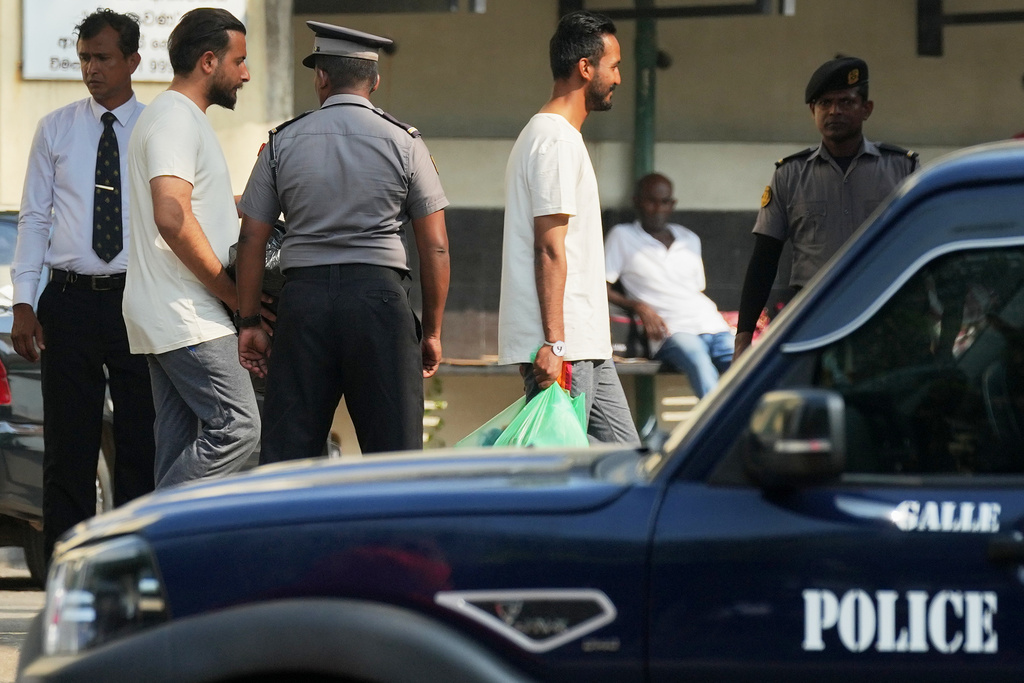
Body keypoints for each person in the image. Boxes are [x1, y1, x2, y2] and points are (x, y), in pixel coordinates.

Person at [235, 21, 450, 460]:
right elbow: (436, 247)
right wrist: (432, 332)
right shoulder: (405, 143)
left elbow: (252, 239)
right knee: (393, 458)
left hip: (303, 306)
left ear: (321, 77)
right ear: (374, 80)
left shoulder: (282, 143)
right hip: (381, 306)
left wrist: (250, 321)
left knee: (288, 459)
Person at [12, 9, 156, 559]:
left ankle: (137, 570)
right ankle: (63, 577)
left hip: (137, 301)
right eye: (84, 59)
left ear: (133, 62)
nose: (92, 69)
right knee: (68, 450)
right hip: (68, 300)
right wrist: (25, 301)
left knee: (141, 445)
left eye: (103, 58)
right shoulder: (55, 129)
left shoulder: (156, 127)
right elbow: (34, 219)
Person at [124, 8, 261, 488]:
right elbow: (172, 216)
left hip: (172, 309)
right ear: (208, 61)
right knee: (239, 428)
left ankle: (160, 560)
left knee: (180, 446)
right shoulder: (174, 119)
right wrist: (232, 295)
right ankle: (147, 527)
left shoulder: (180, 119)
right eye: (238, 61)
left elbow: (195, 207)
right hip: (188, 311)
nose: (245, 73)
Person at [497, 10, 639, 446]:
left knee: (626, 462)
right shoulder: (554, 139)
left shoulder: (558, 137)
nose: (617, 77)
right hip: (567, 349)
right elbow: (549, 249)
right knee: (561, 474)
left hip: (587, 345)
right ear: (585, 68)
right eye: (613, 66)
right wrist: (555, 347)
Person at [734, 56, 918, 358]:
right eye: (825, 103)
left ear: (866, 109)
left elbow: (920, 246)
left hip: (885, 311)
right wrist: (743, 336)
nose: (834, 111)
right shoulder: (789, 175)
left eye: (846, 102)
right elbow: (764, 260)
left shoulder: (902, 169)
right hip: (813, 315)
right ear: (812, 111)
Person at [605, 173, 733, 398]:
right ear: (637, 202)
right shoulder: (622, 236)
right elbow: (599, 286)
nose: (657, 209)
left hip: (713, 324)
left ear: (672, 204)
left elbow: (696, 290)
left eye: (664, 202)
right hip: (673, 331)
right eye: (651, 201)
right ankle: (721, 430)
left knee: (749, 365)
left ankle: (757, 429)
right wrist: (638, 306)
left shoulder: (689, 238)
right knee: (700, 364)